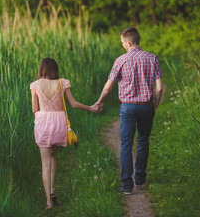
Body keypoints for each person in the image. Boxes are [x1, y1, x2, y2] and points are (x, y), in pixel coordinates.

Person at [95, 27, 163, 195]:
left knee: (126, 144)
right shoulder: (152, 58)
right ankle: (139, 178)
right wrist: (155, 105)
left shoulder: (121, 60)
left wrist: (100, 101)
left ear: (129, 42)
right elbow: (160, 88)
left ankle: (127, 185)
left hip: (127, 107)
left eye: (123, 43)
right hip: (147, 106)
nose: (123, 46)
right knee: (143, 141)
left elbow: (108, 87)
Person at [30, 58, 100, 209]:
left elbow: (34, 109)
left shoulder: (35, 85)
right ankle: (52, 188)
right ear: (55, 68)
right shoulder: (63, 82)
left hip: (43, 122)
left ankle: (48, 202)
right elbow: (73, 104)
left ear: (41, 69)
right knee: (53, 155)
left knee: (45, 163)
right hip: (58, 122)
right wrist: (91, 108)